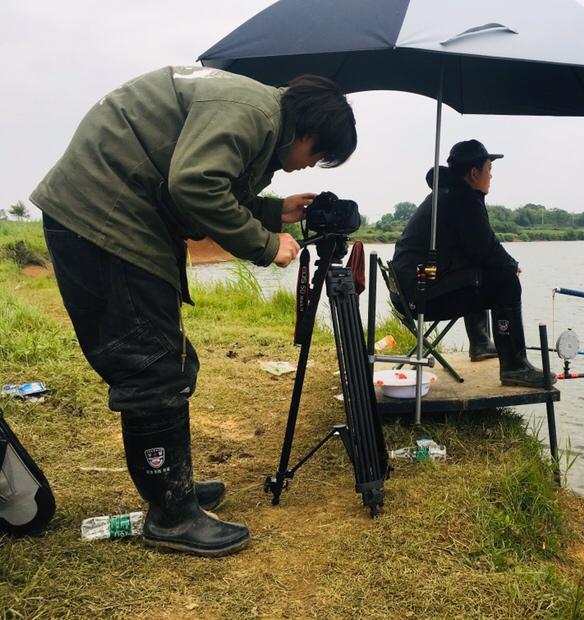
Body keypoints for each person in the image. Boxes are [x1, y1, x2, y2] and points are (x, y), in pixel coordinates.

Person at [30, 66, 357, 557]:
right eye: (317, 156)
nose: (308, 167)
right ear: (308, 132)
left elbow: (209, 183)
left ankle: (173, 487)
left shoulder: (253, 110)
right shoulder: (253, 114)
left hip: (110, 214)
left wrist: (273, 210)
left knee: (168, 357)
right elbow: (195, 185)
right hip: (105, 219)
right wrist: (266, 244)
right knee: (152, 363)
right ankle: (172, 515)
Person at [391, 139, 550, 388]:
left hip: (408, 291)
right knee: (506, 282)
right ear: (474, 173)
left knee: (486, 271)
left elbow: (477, 249)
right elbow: (485, 247)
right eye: (489, 169)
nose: (492, 176)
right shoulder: (462, 198)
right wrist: (511, 266)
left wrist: (503, 262)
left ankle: (481, 344)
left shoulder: (449, 192)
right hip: (419, 297)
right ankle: (515, 367)